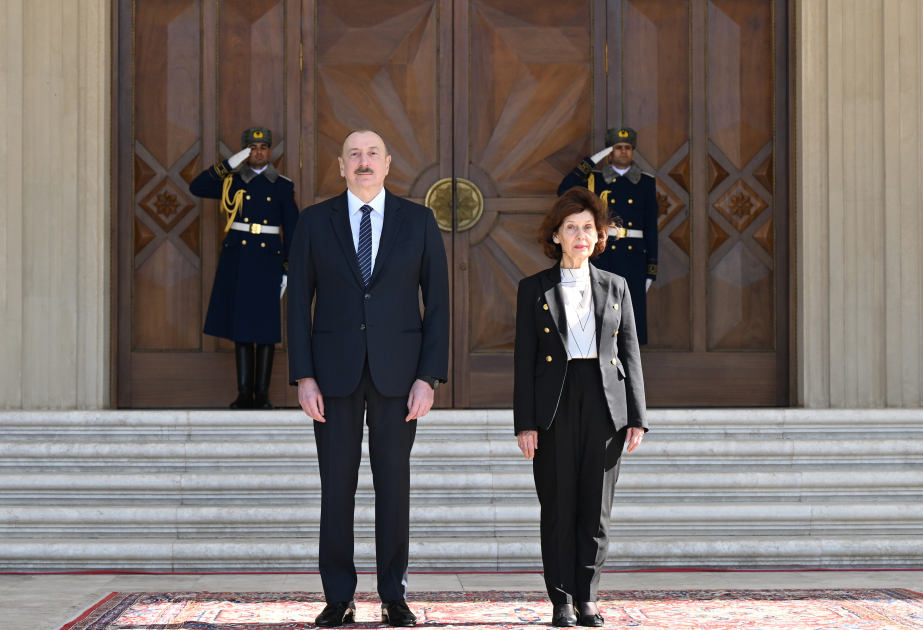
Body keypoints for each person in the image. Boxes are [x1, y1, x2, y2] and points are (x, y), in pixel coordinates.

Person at [287, 130, 450, 627]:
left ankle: (393, 595)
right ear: (340, 165)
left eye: (371, 154)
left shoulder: (419, 221)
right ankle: (338, 596)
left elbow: (438, 304)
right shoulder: (315, 222)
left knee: (393, 487)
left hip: (398, 378)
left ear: (387, 163)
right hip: (332, 378)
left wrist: (429, 377)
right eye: (353, 154)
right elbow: (296, 306)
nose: (363, 162)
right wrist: (303, 376)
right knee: (336, 488)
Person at [513, 187, 648, 627]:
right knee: (557, 506)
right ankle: (561, 600)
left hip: (604, 402)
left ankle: (587, 596)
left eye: (588, 228)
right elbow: (523, 360)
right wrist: (525, 423)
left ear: (599, 236)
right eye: (571, 228)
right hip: (554, 401)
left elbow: (629, 354)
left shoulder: (617, 286)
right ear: (555, 235)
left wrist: (636, 417)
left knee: (595, 507)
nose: (580, 235)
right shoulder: (533, 288)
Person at [189, 126, 299, 409]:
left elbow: (293, 230)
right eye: (251, 148)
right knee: (241, 326)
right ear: (245, 151)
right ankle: (243, 393)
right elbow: (197, 187)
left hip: (268, 260)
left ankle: (261, 393)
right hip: (238, 258)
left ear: (270, 151)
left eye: (263, 148)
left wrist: (288, 268)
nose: (258, 152)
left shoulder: (283, 186)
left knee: (264, 328)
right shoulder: (233, 181)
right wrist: (228, 164)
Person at [557, 127, 658, 345]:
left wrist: (651, 268)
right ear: (609, 153)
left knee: (629, 324)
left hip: (634, 257)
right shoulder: (594, 179)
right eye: (618, 148)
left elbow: (651, 226)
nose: (623, 152)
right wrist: (592, 160)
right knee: (598, 317)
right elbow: (563, 190)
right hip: (604, 252)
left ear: (633, 152)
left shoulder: (647, 182)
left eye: (628, 148)